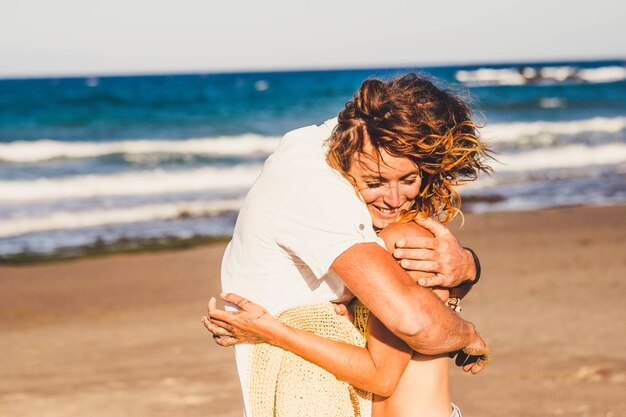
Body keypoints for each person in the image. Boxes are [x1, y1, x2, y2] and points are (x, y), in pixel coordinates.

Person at [203, 73, 491, 416]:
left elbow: (399, 349)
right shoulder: (324, 192)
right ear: (347, 153)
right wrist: (465, 287)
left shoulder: (404, 243)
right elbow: (425, 312)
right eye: (375, 182)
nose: (393, 198)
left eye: (408, 179)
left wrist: (466, 329)